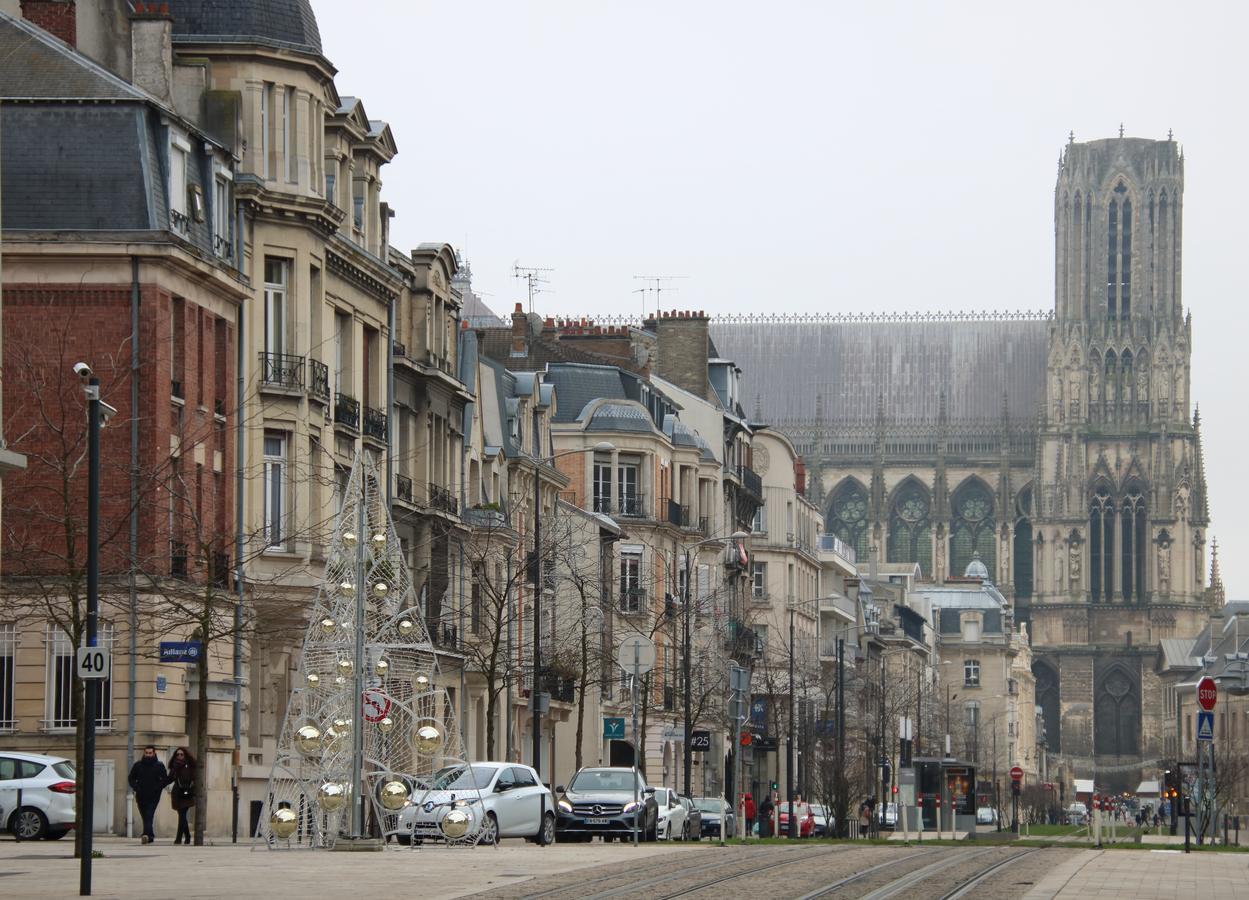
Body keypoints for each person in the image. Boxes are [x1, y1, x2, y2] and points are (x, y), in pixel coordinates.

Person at [128, 745, 169, 844]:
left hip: (153, 796)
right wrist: (136, 787)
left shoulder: (159, 765)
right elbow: (131, 778)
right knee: (145, 816)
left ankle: (146, 835)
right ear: (144, 753)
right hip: (141, 795)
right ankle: (150, 836)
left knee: (149, 814)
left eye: (150, 753)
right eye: (146, 753)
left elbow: (165, 779)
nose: (148, 755)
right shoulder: (138, 765)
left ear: (154, 753)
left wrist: (157, 788)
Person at [168, 747, 196, 845]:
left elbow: (195, 778)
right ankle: (187, 836)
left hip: (187, 792)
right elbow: (170, 778)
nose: (179, 756)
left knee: (182, 815)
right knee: (181, 815)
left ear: (185, 755)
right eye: (177, 754)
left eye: (181, 754)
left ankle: (179, 838)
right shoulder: (174, 765)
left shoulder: (191, 765)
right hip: (177, 793)